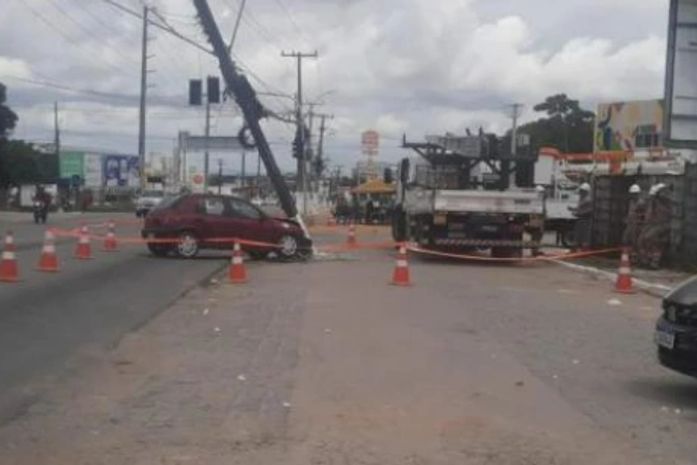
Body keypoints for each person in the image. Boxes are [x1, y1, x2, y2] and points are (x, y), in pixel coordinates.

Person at [637, 183, 672, 269]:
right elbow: (643, 210)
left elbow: (662, 217)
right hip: (650, 224)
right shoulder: (651, 203)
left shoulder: (663, 203)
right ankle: (645, 260)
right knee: (641, 240)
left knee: (650, 239)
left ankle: (654, 262)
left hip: (660, 225)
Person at [622, 184, 646, 255]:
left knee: (636, 241)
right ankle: (629, 254)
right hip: (630, 223)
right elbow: (630, 211)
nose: (633, 195)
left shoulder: (641, 202)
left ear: (637, 194)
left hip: (637, 224)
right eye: (632, 194)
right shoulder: (631, 202)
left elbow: (644, 214)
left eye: (634, 194)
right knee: (626, 238)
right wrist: (626, 219)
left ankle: (637, 255)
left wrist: (639, 220)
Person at [570, 183, 592, 250]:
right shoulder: (582, 198)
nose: (580, 192)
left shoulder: (588, 199)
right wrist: (573, 209)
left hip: (585, 220)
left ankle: (584, 248)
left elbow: (589, 210)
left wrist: (578, 214)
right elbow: (580, 208)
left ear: (586, 191)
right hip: (580, 219)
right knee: (578, 234)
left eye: (582, 190)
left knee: (584, 235)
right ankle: (575, 247)